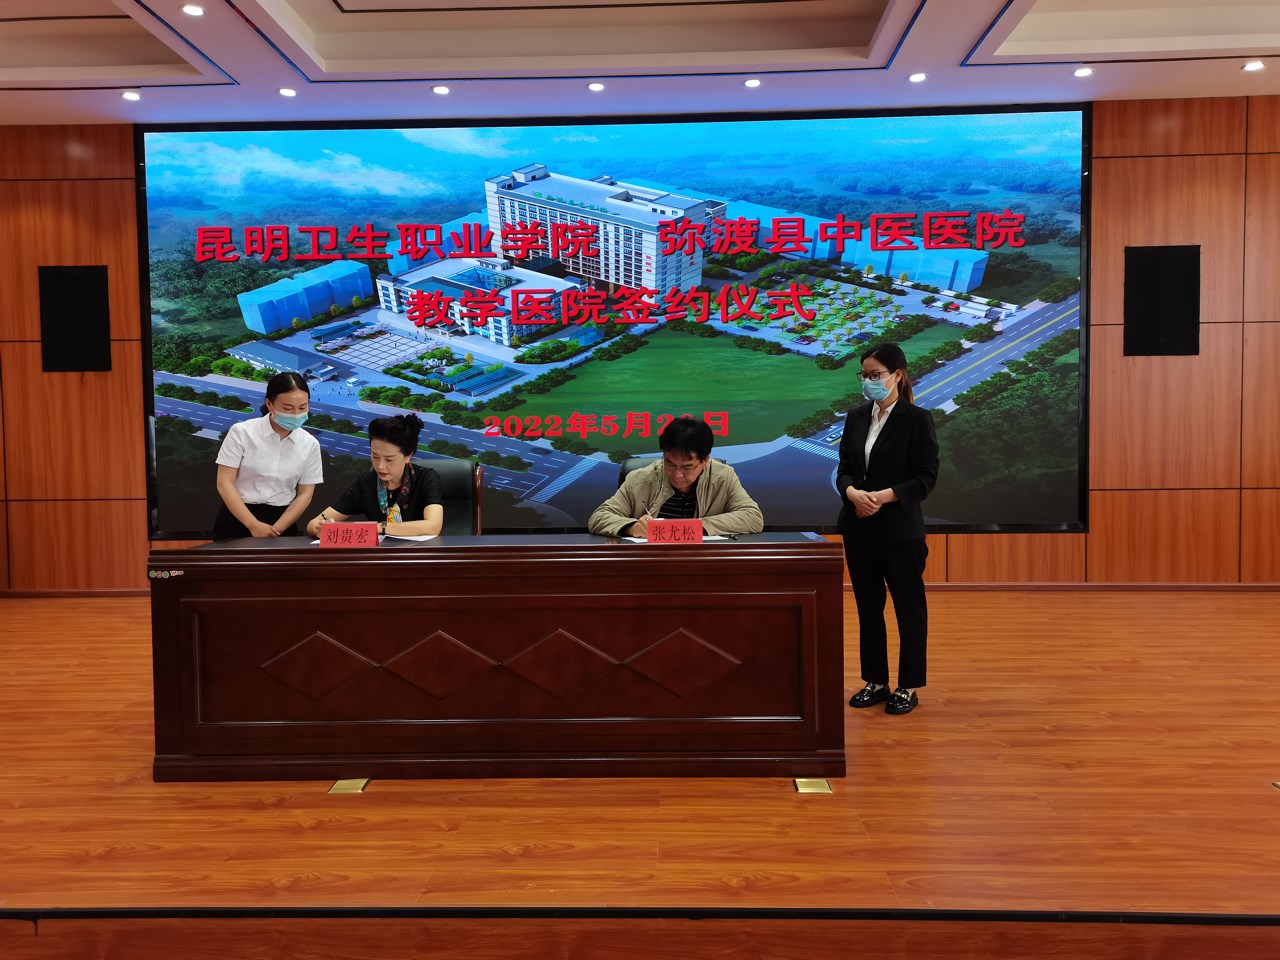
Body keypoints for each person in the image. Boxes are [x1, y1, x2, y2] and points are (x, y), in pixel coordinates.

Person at [836, 343, 939, 716]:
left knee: (909, 609)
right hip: (859, 527)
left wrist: (881, 497)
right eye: (864, 375)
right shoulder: (856, 417)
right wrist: (852, 492)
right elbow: (845, 469)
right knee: (868, 608)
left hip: (900, 531)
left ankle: (908, 686)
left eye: (875, 375)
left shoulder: (917, 419)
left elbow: (926, 478)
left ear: (897, 375)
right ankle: (875, 681)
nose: (869, 381)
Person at [588, 415, 764, 538]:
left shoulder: (723, 477)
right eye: (670, 464)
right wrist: (633, 528)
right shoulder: (640, 479)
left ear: (705, 461)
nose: (677, 474)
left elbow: (753, 517)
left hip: (704, 563)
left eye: (687, 467)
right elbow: (599, 517)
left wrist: (695, 527)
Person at [213, 371, 322, 540]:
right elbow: (224, 483)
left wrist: (276, 530)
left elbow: (305, 494)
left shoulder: (310, 444)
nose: (296, 414)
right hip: (238, 517)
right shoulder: (242, 432)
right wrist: (253, 525)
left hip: (282, 521)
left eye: (302, 407)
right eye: (287, 408)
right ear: (269, 404)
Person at [306, 413, 443, 538]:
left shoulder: (426, 478)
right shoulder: (365, 483)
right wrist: (320, 529)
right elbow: (312, 525)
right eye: (375, 456)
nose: (380, 466)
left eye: (389, 459)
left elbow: (433, 526)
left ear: (408, 456)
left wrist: (379, 527)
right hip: (380, 554)